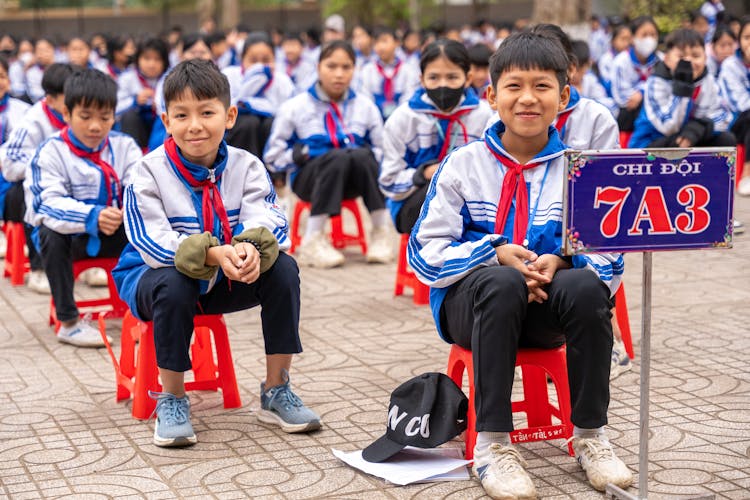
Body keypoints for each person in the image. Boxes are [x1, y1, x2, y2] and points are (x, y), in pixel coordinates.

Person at [408, 30, 633, 499]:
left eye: (542, 86)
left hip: (547, 312)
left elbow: (611, 254)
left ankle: (590, 435)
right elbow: (424, 255)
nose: (527, 99)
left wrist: (561, 259)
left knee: (589, 290)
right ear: (491, 96)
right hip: (474, 312)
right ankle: (492, 445)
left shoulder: (582, 169)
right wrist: (492, 255)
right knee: (501, 281)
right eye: (513, 86)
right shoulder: (462, 165)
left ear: (564, 96)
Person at [112, 58, 320, 447]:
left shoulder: (248, 166)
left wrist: (250, 248)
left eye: (207, 112)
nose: (195, 125)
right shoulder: (147, 171)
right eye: (182, 115)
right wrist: (212, 253)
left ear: (229, 115)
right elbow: (149, 241)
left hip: (225, 277)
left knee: (284, 270)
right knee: (174, 282)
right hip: (152, 279)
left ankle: (276, 389)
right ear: (166, 120)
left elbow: (271, 218)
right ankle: (172, 397)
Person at [25, 68, 142, 347]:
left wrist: (125, 213)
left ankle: (142, 313)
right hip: (72, 239)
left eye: (105, 118)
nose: (95, 127)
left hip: (114, 233)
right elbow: (45, 204)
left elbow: (144, 188)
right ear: (66, 114)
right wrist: (92, 216)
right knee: (49, 233)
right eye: (85, 116)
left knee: (149, 228)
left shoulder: (124, 146)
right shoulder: (51, 151)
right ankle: (69, 322)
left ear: (114, 115)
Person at [265, 41, 392, 268]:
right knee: (337, 157)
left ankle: (380, 233)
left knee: (362, 156)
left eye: (346, 67)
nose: (339, 74)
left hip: (354, 180)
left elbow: (384, 149)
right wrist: (296, 155)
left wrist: (367, 154)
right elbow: (272, 157)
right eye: (331, 66)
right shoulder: (295, 107)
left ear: (355, 69)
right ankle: (312, 239)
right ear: (318, 67)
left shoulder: (365, 106)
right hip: (310, 180)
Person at [379, 39, 493, 235]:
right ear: (421, 79)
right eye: (433, 78)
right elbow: (389, 182)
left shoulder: (484, 116)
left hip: (473, 202)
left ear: (468, 78)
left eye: (452, 77)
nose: (443, 85)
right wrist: (423, 174)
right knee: (442, 193)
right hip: (415, 205)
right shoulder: (403, 118)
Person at [1, 63, 76, 294]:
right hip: (27, 190)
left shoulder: (80, 116)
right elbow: (10, 167)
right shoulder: (32, 120)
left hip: (69, 187)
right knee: (31, 192)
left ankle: (89, 260)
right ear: (51, 99)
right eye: (69, 98)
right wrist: (47, 164)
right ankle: (39, 268)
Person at [630, 28, 735, 150]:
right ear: (667, 58)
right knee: (678, 145)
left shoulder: (709, 81)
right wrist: (683, 89)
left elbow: (725, 116)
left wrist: (699, 127)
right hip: (654, 140)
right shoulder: (655, 82)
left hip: (693, 136)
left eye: (696, 55)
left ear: (705, 58)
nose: (688, 61)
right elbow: (668, 127)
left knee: (726, 139)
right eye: (681, 56)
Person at [222, 33, 294, 158]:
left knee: (271, 124)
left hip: (269, 135)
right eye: (253, 60)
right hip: (238, 132)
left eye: (266, 60)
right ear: (242, 59)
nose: (259, 66)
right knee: (249, 122)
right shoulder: (229, 76)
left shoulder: (283, 81)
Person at [0, 55, 31, 258]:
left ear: (9, 81)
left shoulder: (25, 111)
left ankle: (18, 237)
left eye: (1, 76)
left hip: (11, 172)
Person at [117, 37, 170, 149]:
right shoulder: (127, 77)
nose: (151, 64)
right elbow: (115, 108)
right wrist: (135, 101)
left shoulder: (170, 77)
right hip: (136, 127)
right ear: (138, 59)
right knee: (129, 116)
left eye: (157, 59)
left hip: (161, 126)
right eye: (146, 58)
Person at [358, 27, 420, 120]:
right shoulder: (367, 70)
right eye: (376, 43)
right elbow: (366, 98)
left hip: (402, 118)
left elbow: (409, 96)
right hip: (375, 118)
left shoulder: (408, 70)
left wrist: (398, 117)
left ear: (397, 42)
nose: (380, 46)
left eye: (384, 41)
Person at [611, 16, 661, 132]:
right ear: (633, 38)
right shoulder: (621, 62)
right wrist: (648, 91)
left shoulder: (661, 60)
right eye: (644, 35)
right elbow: (623, 98)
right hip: (630, 115)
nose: (649, 40)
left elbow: (665, 89)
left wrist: (642, 92)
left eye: (653, 35)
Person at [595, 23, 633, 98]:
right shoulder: (606, 60)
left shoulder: (631, 58)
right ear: (613, 41)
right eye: (623, 39)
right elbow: (608, 84)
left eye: (629, 39)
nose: (626, 43)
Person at [25, 37, 57, 102]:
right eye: (39, 50)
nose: (42, 53)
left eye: (46, 50)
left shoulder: (63, 69)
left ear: (53, 50)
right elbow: (35, 94)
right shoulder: (31, 72)